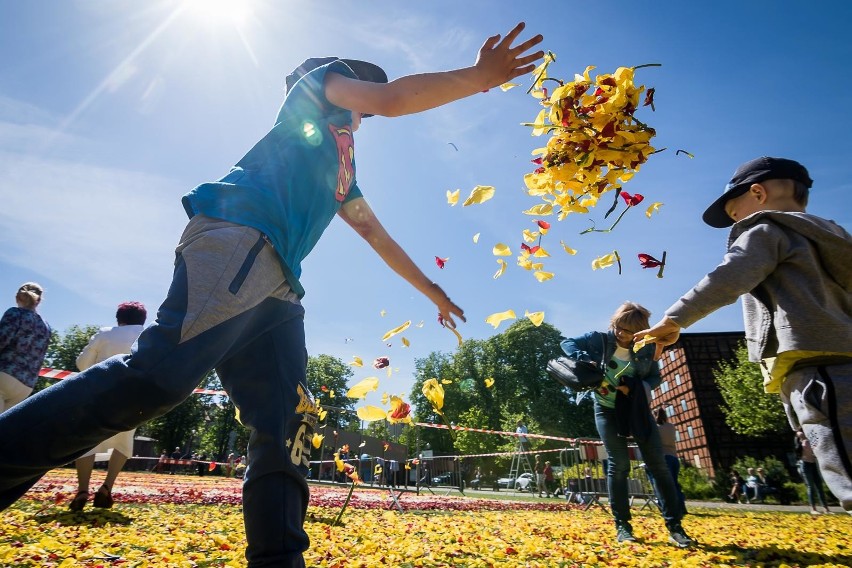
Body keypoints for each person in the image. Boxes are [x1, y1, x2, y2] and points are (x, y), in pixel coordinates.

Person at [0, 23, 545, 567]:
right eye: (362, 102)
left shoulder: (342, 170)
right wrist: (478, 78)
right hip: (239, 239)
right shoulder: (312, 90)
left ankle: (279, 558)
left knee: (288, 423)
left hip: (280, 289)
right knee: (158, 379)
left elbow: (375, 233)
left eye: (367, 113)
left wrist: (434, 292)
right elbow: (395, 97)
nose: (365, 116)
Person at [636, 156, 852, 513]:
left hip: (817, 368)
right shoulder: (835, 238)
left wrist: (675, 319)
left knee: (843, 465)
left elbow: (730, 277)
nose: (736, 222)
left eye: (735, 213)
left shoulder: (767, 231)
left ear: (758, 193)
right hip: (837, 355)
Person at [560, 302, 694, 547]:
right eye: (619, 327)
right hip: (605, 409)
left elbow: (655, 377)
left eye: (628, 331)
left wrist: (632, 387)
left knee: (659, 466)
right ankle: (623, 527)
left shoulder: (646, 348)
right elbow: (567, 342)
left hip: (635, 410)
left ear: (639, 332)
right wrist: (585, 359)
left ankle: (675, 527)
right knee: (618, 465)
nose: (621, 333)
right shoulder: (598, 340)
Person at [68, 301, 148, 511]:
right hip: (133, 397)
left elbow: (82, 364)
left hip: (99, 394)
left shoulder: (104, 333)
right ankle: (106, 488)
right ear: (142, 320)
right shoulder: (149, 336)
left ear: (119, 318)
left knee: (86, 441)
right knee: (123, 442)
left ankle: (82, 490)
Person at [0, 283, 51, 413]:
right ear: (39, 301)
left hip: (4, 374)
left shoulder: (14, 313)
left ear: (17, 297)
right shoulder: (45, 326)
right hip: (25, 386)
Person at [645, 407, 687, 516]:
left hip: (663, 458)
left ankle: (665, 507)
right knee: (674, 484)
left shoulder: (656, 429)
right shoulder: (671, 427)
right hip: (674, 457)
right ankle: (681, 507)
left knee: (661, 485)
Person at [795, 428, 831, 514]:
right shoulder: (801, 436)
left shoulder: (811, 436)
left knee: (819, 486)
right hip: (805, 464)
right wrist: (802, 434)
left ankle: (826, 509)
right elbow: (799, 435)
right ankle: (813, 509)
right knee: (811, 487)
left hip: (813, 463)